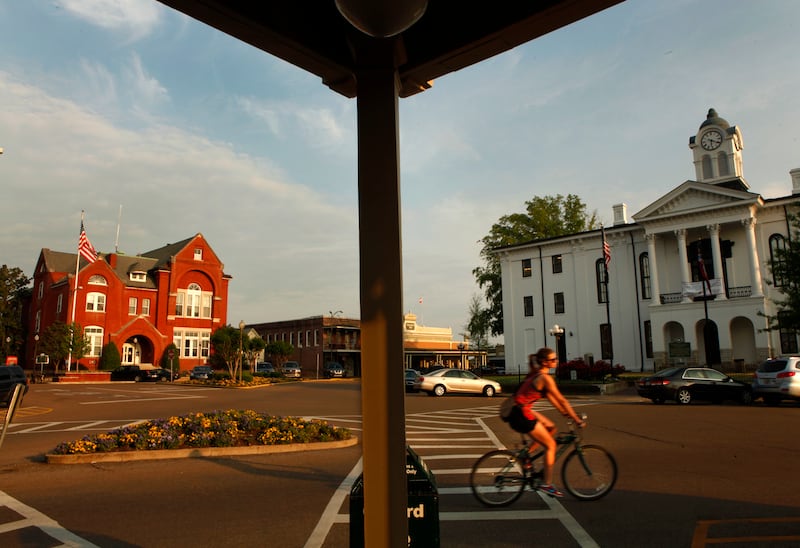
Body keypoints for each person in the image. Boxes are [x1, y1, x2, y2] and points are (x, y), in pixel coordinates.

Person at [507, 347, 585, 497]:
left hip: (519, 411)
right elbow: (562, 399)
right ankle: (547, 484)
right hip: (521, 415)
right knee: (551, 445)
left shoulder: (538, 375)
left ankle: (526, 455)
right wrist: (576, 419)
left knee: (551, 427)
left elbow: (553, 399)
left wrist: (565, 413)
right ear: (544, 362)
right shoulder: (545, 378)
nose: (556, 361)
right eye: (553, 359)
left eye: (556, 359)